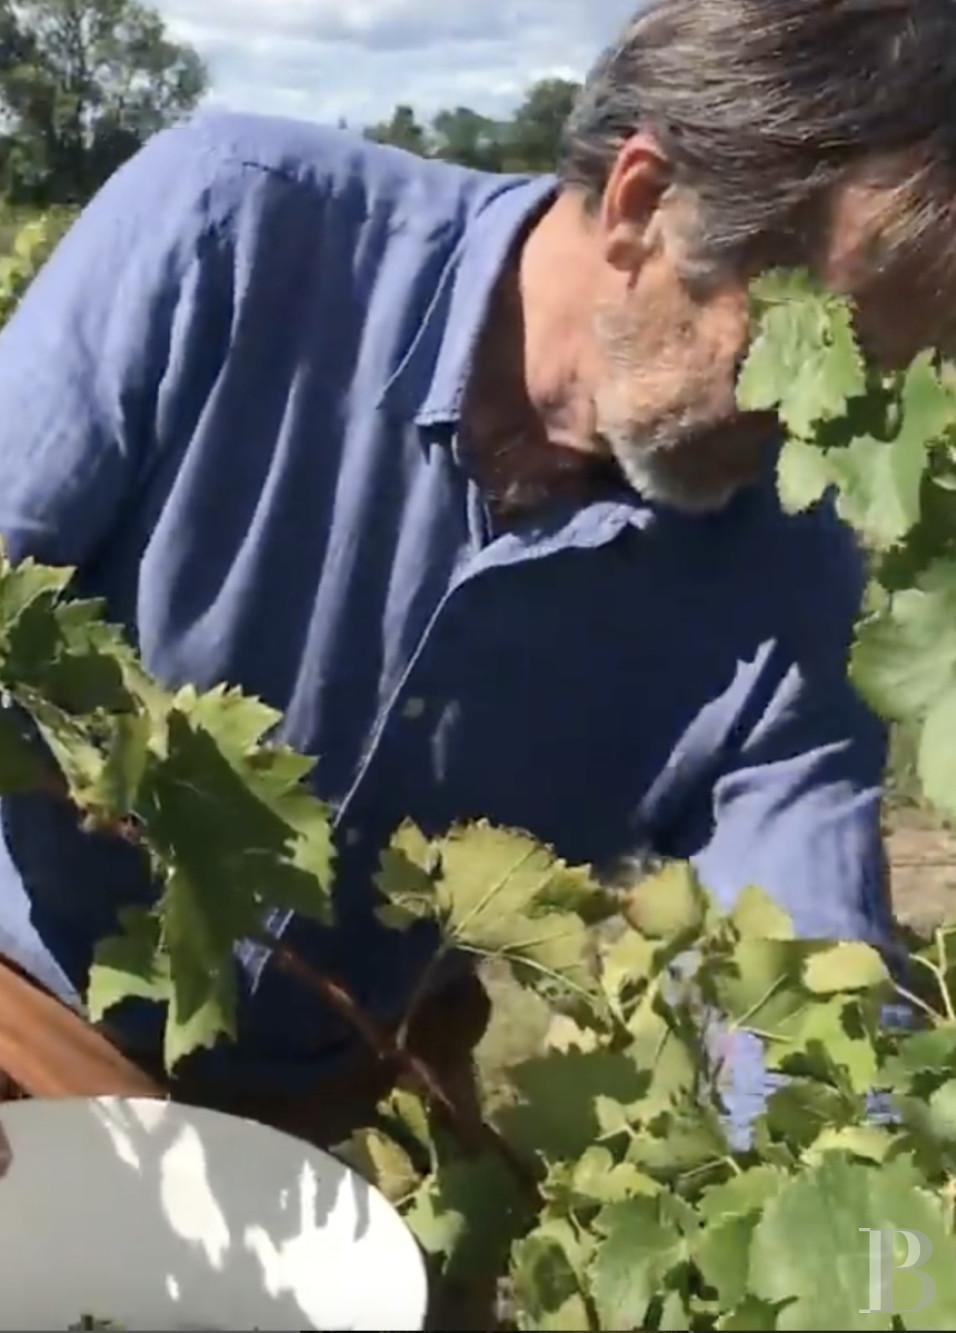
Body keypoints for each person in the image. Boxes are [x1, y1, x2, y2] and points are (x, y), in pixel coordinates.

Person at [0, 0, 954, 1148]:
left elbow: (800, 979)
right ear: (643, 207)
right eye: (819, 352)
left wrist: (864, 1220)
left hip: (348, 1089)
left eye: (888, 382)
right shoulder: (228, 231)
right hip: (27, 1003)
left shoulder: (786, 568)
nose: (827, 429)